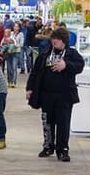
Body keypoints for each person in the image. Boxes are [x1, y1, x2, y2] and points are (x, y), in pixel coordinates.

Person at [27, 27, 85, 161]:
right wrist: (30, 88)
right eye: (53, 39)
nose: (54, 41)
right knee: (47, 122)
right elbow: (35, 72)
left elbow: (80, 66)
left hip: (64, 96)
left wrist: (66, 65)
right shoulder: (45, 54)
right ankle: (48, 146)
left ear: (64, 40)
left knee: (63, 123)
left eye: (57, 39)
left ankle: (62, 149)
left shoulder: (72, 54)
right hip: (46, 95)